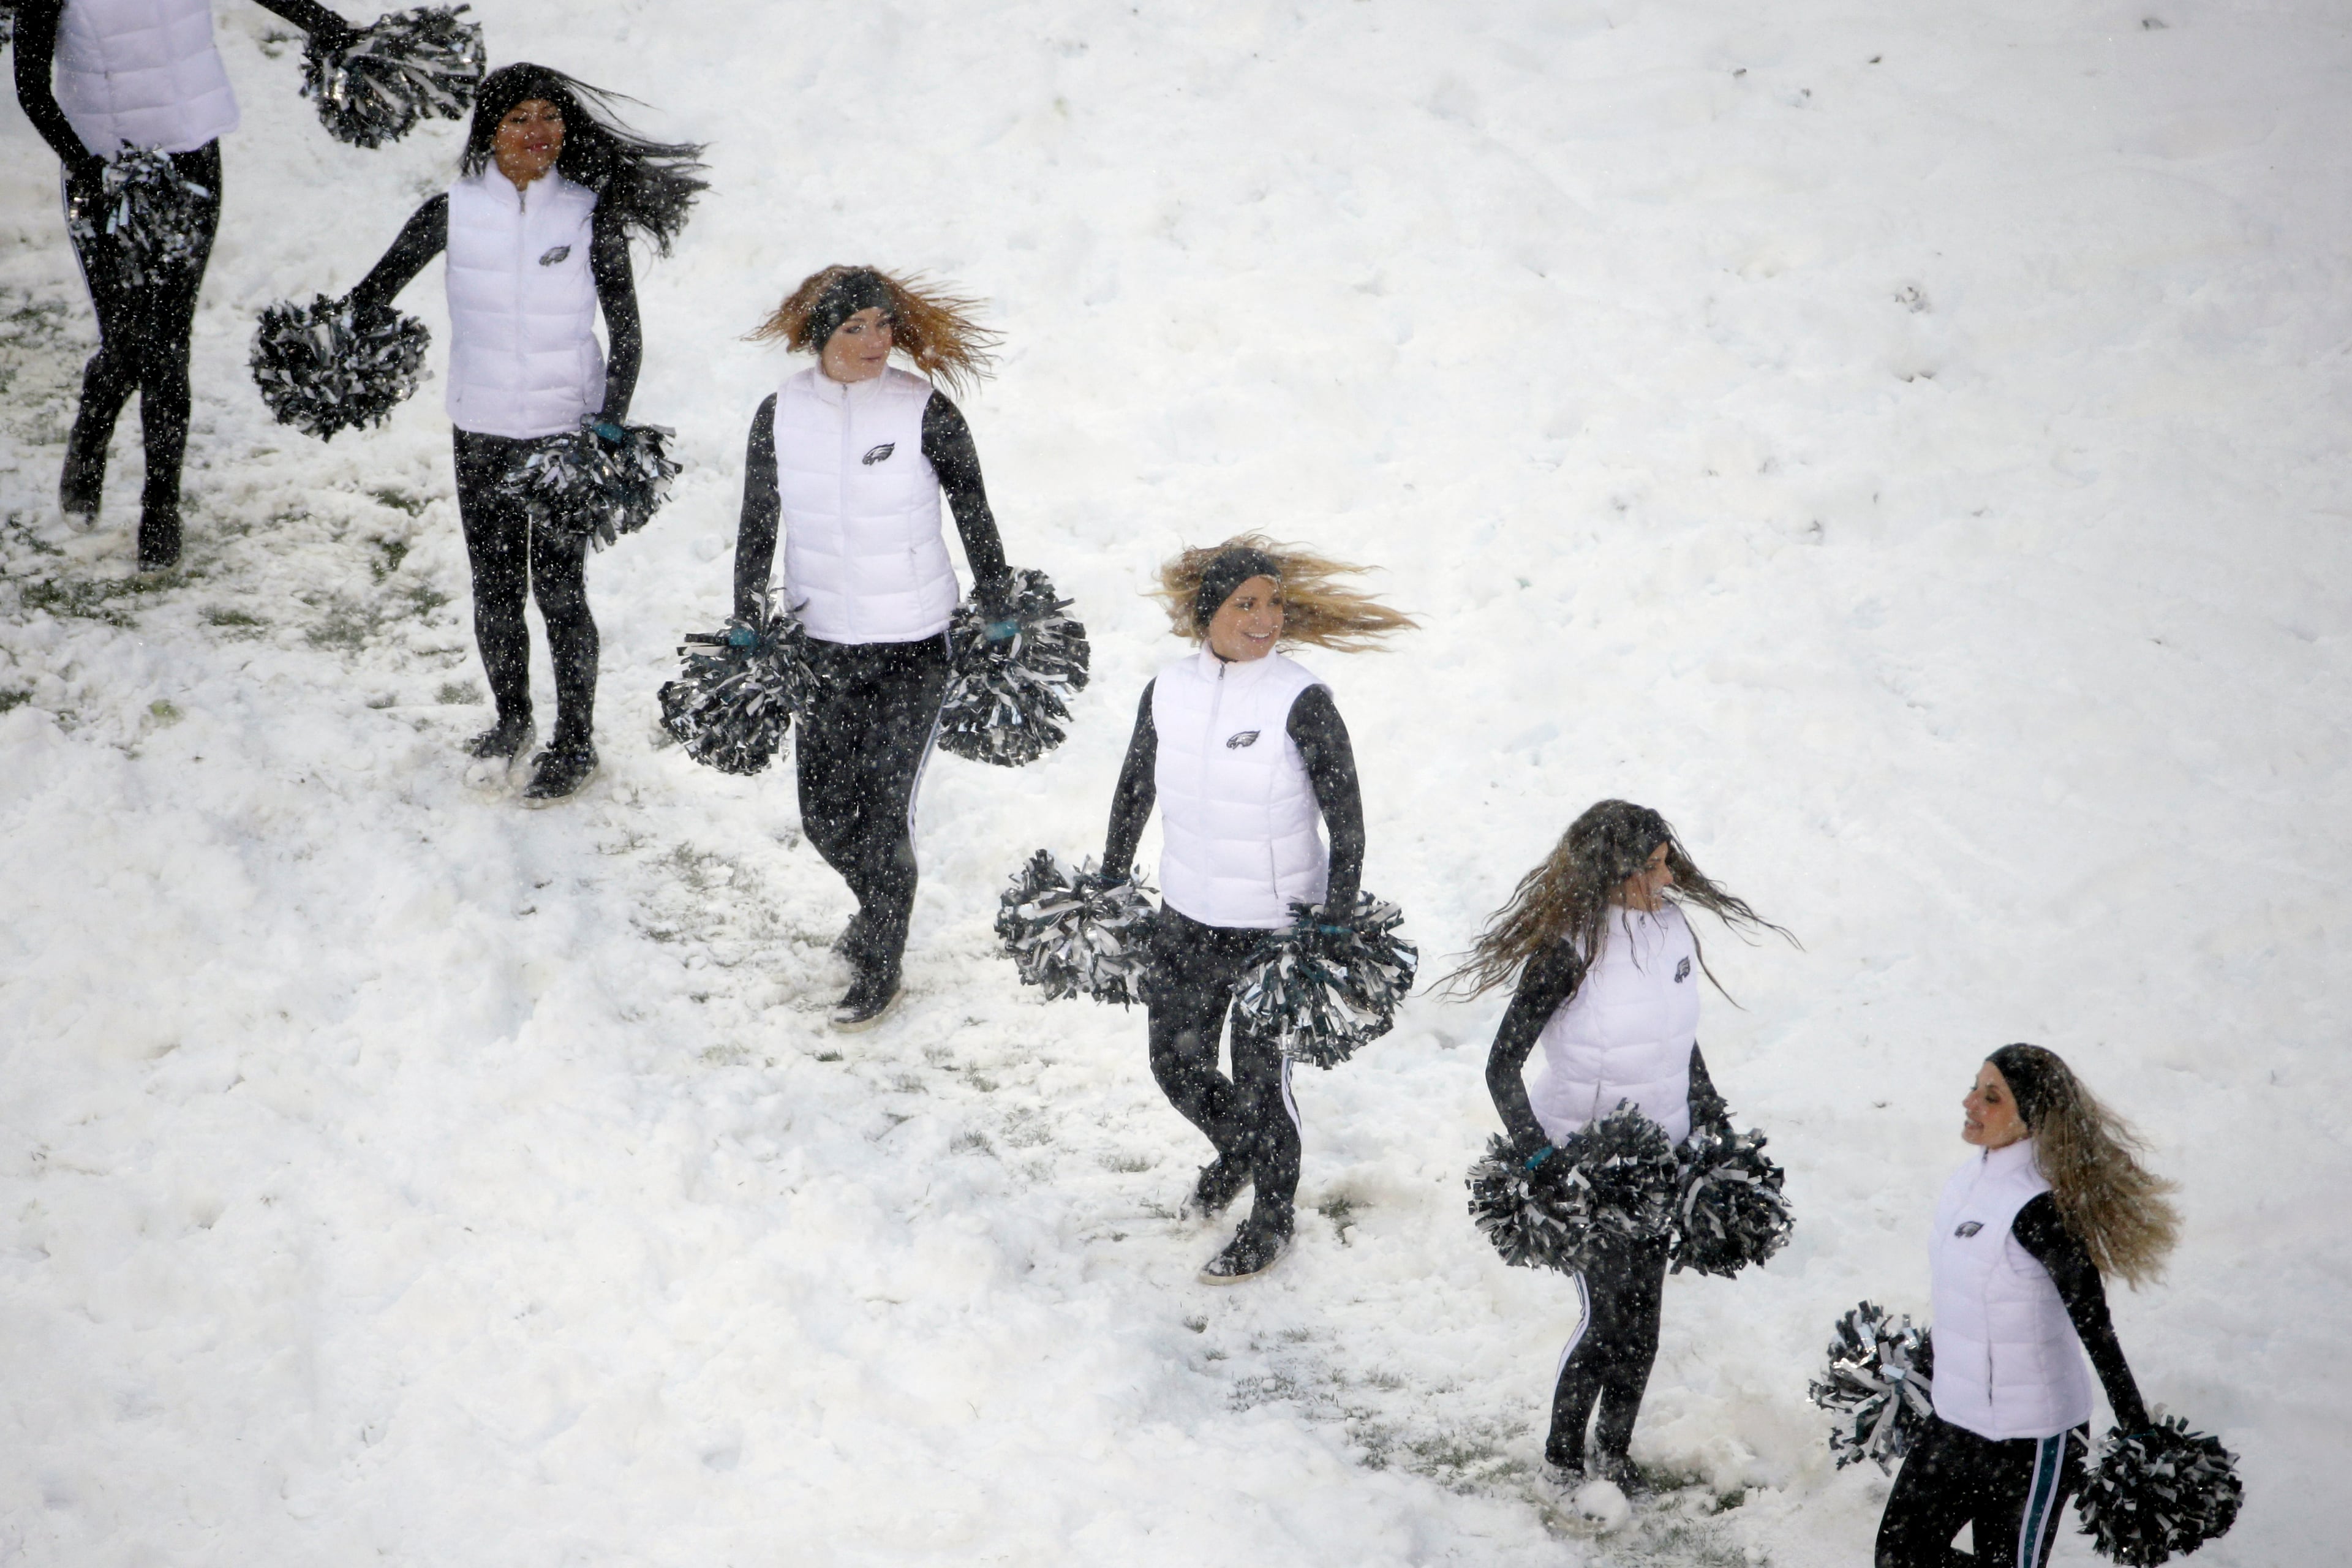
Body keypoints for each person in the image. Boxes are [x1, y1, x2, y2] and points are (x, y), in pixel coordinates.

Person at [342, 63, 705, 801]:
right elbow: (368, 298)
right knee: (496, 589)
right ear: (489, 132)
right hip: (479, 427)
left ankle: (575, 743)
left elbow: (628, 334)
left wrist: (606, 428)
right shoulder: (449, 211)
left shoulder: (586, 212)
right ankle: (513, 721)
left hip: (563, 437)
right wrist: (338, 351)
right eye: (518, 120)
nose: (538, 134)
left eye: (549, 117)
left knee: (563, 593)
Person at [1098, 537, 1414, 1283]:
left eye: (1273, 602)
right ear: (1209, 610)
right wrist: (1109, 880)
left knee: (1262, 1082)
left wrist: (1332, 921)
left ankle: (1273, 1217)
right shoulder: (1165, 690)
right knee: (1174, 1065)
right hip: (1186, 915)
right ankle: (1241, 1150)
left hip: (1275, 932)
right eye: (1246, 603)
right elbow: (1134, 789)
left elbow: (1349, 821)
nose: (1266, 617)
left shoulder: (1300, 699)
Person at [1449, 801, 1790, 1490]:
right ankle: (1562, 1463)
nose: (1670, 876)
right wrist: (1543, 1161)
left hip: (1659, 1162)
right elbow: (1500, 1065)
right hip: (1587, 1169)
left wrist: (1710, 1117)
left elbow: (1676, 1033)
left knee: (1644, 1330)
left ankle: (1615, 1454)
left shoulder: (1672, 930)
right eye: (1657, 866)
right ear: (1617, 871)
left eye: (1668, 860)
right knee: (1605, 1322)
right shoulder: (1567, 946)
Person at [729, 266, 1013, 1028]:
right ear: (821, 334)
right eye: (855, 328)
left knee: (884, 813)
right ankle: (876, 910)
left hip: (915, 646)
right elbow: (759, 522)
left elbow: (974, 509)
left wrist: (999, 603)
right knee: (824, 814)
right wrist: (746, 616)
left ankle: (881, 960)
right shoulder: (780, 413)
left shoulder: (922, 408)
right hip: (818, 646)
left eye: (883, 327)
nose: (875, 343)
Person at [13, 0, 360, 568]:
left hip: (191, 158)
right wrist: (87, 167)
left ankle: (161, 504)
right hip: (102, 172)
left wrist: (341, 34)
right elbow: (31, 87)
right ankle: (92, 431)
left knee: (170, 344)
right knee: (127, 341)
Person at [1875, 1044, 2179, 1568]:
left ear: (2029, 1117)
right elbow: (1966, 1300)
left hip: (2030, 1439)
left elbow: (2093, 1322)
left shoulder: (2040, 1209)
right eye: (1976, 1086)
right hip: (1956, 1420)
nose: (1970, 1101)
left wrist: (2138, 1432)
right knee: (1901, 1555)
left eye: (1992, 1096)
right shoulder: (1967, 1183)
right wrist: (1930, 1368)